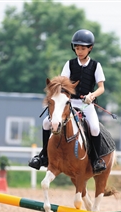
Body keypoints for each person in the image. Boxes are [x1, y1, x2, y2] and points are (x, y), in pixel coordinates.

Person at [28, 29, 107, 174]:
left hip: (86, 105)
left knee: (95, 128)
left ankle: (96, 159)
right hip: (69, 104)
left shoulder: (96, 66)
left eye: (83, 48)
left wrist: (92, 95)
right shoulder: (69, 64)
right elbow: (62, 84)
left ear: (90, 48)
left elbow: (101, 87)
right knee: (47, 122)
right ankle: (43, 156)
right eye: (77, 48)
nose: (79, 51)